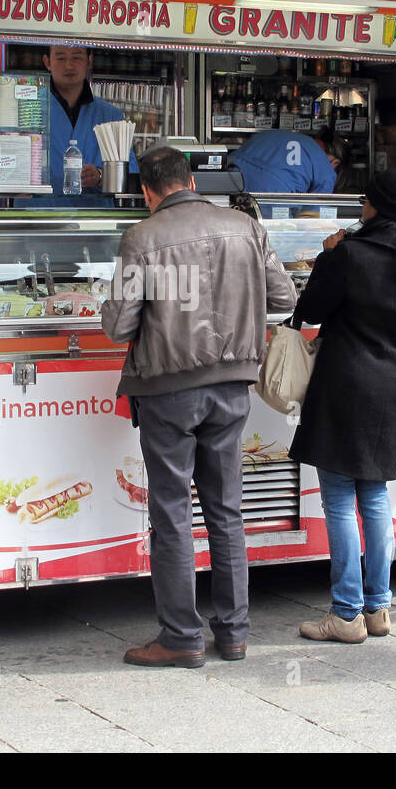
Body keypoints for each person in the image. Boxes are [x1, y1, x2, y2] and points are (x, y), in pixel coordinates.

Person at [102, 146, 296, 667]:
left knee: (172, 515)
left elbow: (118, 325)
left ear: (147, 191)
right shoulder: (246, 228)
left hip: (167, 389)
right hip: (233, 386)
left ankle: (181, 638)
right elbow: (285, 298)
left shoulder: (141, 237)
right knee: (226, 511)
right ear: (191, 180)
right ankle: (234, 634)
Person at [289, 169, 396, 643]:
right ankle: (378, 609)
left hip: (343, 383)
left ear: (376, 207)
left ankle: (346, 614)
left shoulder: (349, 254)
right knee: (375, 498)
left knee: (338, 498)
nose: (361, 207)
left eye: (365, 201)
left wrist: (327, 257)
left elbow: (309, 312)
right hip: (390, 388)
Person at [25, 44, 136, 208]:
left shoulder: (110, 115)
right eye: (61, 57)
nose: (69, 65)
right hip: (37, 220)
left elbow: (131, 174)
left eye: (76, 57)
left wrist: (100, 176)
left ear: (89, 61)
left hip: (95, 224)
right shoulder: (26, 110)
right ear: (47, 62)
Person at [227, 130, 340, 196]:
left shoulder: (280, 135)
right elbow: (314, 214)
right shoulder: (324, 165)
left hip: (230, 175)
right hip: (271, 191)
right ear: (336, 162)